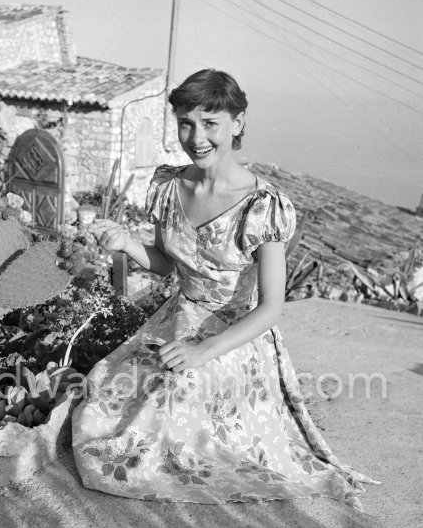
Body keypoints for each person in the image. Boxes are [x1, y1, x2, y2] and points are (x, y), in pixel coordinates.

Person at [72, 69, 379, 510]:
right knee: (104, 391)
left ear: (237, 123)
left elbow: (272, 308)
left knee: (176, 393)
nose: (196, 137)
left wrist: (202, 351)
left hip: (235, 337)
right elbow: (165, 263)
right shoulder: (168, 185)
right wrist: (126, 243)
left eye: (210, 123)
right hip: (177, 318)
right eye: (186, 123)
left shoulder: (263, 206)